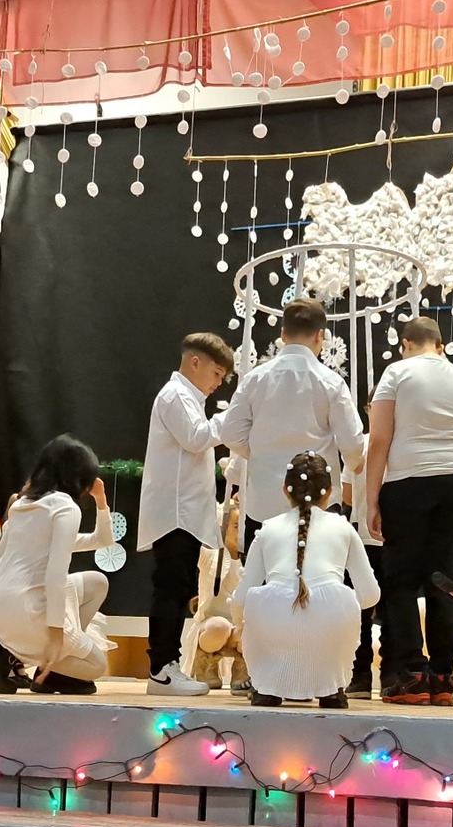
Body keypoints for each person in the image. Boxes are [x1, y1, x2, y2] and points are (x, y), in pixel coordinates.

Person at [364, 316, 453, 706]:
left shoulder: (396, 373)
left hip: (408, 482)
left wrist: (371, 500)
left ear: (405, 344)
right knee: (443, 582)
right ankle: (444, 678)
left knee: (401, 581)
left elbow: (379, 439)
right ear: (441, 345)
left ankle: (412, 675)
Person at [218, 298, 366, 554]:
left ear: (283, 334)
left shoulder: (254, 379)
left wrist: (261, 453)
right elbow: (352, 443)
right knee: (320, 575)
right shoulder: (331, 382)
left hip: (264, 503)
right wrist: (355, 463)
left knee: (265, 575)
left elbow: (230, 434)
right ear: (320, 335)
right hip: (319, 501)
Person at [235, 452, 380, 708]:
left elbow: (241, 598)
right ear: (330, 493)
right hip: (332, 620)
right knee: (343, 600)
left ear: (285, 490)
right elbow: (370, 595)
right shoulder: (344, 527)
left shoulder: (267, 528)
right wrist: (339, 606)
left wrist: (241, 627)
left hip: (272, 621)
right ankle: (330, 688)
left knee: (258, 604)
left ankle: (268, 686)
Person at [0, 435, 115, 696]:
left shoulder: (22, 504)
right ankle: (35, 663)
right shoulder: (66, 508)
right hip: (27, 610)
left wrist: (101, 501)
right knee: (96, 666)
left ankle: (11, 655)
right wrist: (56, 634)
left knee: (97, 583)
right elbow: (56, 575)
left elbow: (101, 540)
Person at [138, 332, 236, 696]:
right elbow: (196, 437)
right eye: (216, 373)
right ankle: (161, 669)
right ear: (195, 362)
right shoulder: (175, 395)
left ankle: (168, 664)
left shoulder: (189, 398)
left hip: (185, 512)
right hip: (175, 512)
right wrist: (233, 416)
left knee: (179, 589)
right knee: (170, 587)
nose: (218, 383)